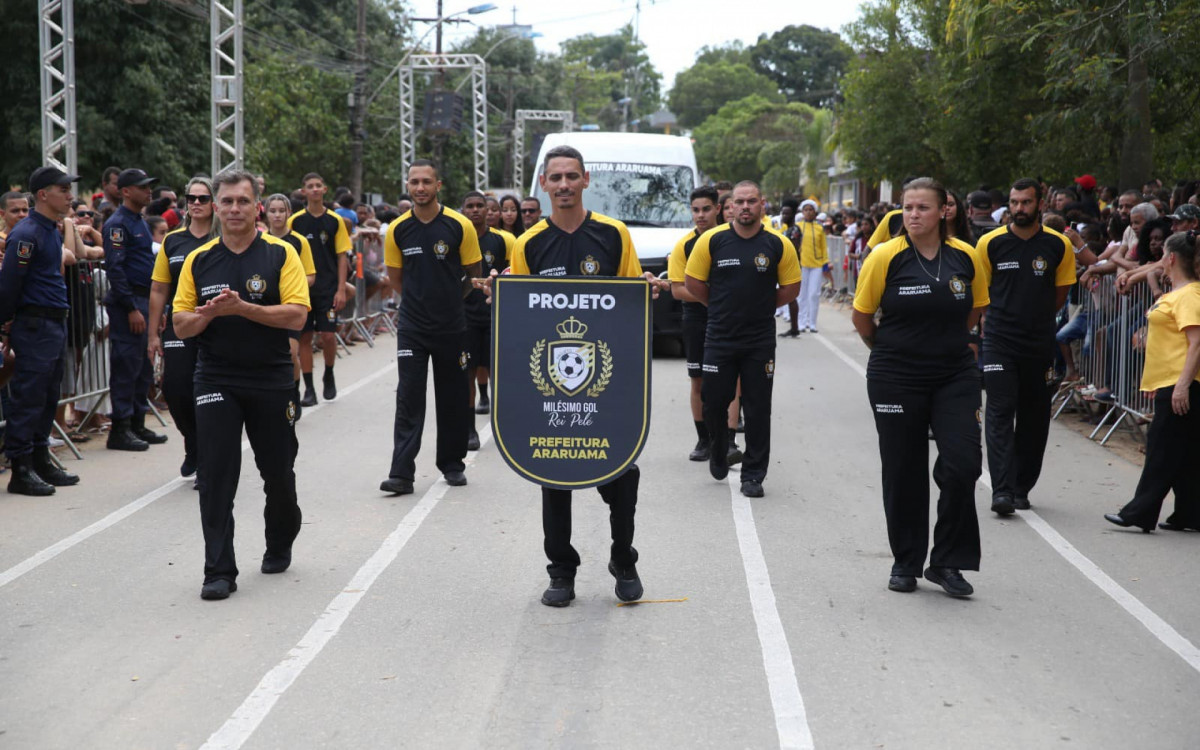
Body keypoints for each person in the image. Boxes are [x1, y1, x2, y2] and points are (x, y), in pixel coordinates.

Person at [490, 144, 667, 607]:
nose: (564, 185)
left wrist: (645, 291)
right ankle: (561, 571)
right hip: (551, 386)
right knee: (552, 472)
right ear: (544, 185)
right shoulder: (527, 244)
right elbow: (521, 319)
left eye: (572, 176)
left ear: (586, 181)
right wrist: (500, 298)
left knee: (621, 475)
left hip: (605, 387)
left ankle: (623, 558)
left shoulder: (613, 235)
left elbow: (630, 307)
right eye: (556, 178)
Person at [172, 169, 311, 601]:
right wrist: (211, 314)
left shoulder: (280, 254)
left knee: (278, 474)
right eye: (227, 201)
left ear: (257, 207)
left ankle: (281, 536)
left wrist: (244, 308)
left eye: (242, 202)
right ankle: (218, 570)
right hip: (215, 377)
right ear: (215, 207)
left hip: (270, 377)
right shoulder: (200, 259)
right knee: (215, 475)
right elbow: (180, 323)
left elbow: (297, 315)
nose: (234, 209)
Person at [851, 177, 990, 597]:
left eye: (922, 208)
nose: (912, 215)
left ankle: (946, 560)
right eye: (907, 208)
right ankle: (906, 561)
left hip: (954, 373)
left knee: (963, 463)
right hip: (896, 374)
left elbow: (976, 307)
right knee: (903, 468)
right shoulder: (884, 256)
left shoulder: (966, 256)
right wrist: (893, 350)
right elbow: (862, 317)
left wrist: (942, 344)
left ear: (944, 210)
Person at [684, 180, 801, 498]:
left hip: (759, 341)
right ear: (729, 206)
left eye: (752, 201)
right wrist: (719, 305)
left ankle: (753, 474)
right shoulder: (712, 241)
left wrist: (760, 307)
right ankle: (719, 448)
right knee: (714, 402)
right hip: (719, 338)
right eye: (739, 201)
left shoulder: (779, 244)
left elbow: (790, 289)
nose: (745, 206)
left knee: (758, 407)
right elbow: (693, 283)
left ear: (763, 204)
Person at [378, 160, 482, 496]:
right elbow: (396, 279)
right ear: (407, 186)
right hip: (412, 327)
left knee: (452, 396)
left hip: (452, 326)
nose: (419, 188)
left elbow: (472, 273)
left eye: (426, 182)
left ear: (438, 185)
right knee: (408, 396)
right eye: (414, 182)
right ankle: (401, 473)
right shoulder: (397, 229)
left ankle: (452, 464)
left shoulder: (459, 224)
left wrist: (450, 299)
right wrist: (418, 302)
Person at [975, 178, 1077, 515]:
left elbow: (1059, 295)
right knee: (1000, 412)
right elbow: (981, 292)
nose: (1019, 209)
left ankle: (1022, 487)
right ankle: (1002, 490)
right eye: (1015, 202)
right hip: (999, 341)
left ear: (1040, 203)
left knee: (1034, 418)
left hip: (1039, 342)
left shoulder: (1058, 245)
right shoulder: (989, 243)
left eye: (1026, 203)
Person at [1104, 231, 1200, 533]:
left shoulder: (1189, 295)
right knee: (1185, 453)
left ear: (1171, 258)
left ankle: (1140, 512)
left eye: (1162, 257)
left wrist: (1183, 385)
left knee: (1162, 449)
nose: (1159, 261)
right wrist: (1134, 277)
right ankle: (1189, 513)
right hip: (1171, 381)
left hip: (1180, 382)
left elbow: (1196, 341)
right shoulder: (1180, 293)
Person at [0, 167, 82, 495]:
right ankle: (20, 468)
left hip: (52, 322)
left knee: (48, 396)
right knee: (29, 396)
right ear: (44, 194)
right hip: (34, 323)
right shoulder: (27, 233)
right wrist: (5, 325)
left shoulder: (51, 229)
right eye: (63, 189)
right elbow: (9, 285)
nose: (70, 195)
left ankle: (39, 458)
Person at [148, 177, 220, 481]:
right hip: (180, 324)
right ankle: (193, 443)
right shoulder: (173, 241)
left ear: (214, 203)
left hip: (218, 326)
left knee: (210, 393)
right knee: (175, 389)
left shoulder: (224, 238)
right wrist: (152, 334)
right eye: (192, 198)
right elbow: (158, 289)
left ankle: (207, 458)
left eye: (204, 198)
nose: (197, 203)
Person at [668, 185, 743, 465]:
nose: (700, 215)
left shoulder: (734, 239)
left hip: (730, 320)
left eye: (706, 209)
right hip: (697, 320)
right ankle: (704, 439)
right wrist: (717, 298)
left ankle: (730, 439)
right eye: (695, 210)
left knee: (732, 379)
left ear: (719, 209)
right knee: (698, 380)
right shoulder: (683, 245)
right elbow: (677, 289)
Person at [104, 168, 168, 451]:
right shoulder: (118, 224)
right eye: (142, 187)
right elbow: (116, 269)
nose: (149, 191)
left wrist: (156, 307)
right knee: (126, 365)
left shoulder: (139, 221)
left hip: (145, 300)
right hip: (128, 302)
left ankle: (138, 423)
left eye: (149, 186)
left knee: (143, 365)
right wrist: (130, 307)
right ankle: (120, 428)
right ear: (126, 191)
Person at [288, 173, 350, 406]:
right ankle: (309, 388)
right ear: (303, 191)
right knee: (304, 337)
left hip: (328, 288)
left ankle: (329, 373)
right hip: (302, 290)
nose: (314, 189)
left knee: (327, 335)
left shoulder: (335, 220)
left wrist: (341, 289)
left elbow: (342, 256)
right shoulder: (295, 221)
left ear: (324, 189)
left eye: (317, 186)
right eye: (309, 186)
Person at [459, 190, 513, 449]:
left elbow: (514, 275)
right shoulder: (456, 239)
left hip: (496, 316)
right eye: (470, 206)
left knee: (499, 372)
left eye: (480, 205)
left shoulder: (503, 241)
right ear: (463, 210)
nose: (476, 210)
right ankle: (469, 428)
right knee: (467, 372)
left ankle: (503, 425)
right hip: (465, 318)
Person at [265, 193, 317, 418]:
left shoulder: (299, 241)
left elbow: (310, 275)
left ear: (289, 213)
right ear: (265, 213)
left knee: (290, 353)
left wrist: (288, 287)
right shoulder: (261, 241)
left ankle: (293, 393)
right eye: (273, 210)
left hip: (292, 308)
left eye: (281, 210)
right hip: (266, 308)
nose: (277, 215)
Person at [789, 198, 828, 334]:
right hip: (802, 264)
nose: (808, 212)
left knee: (814, 294)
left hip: (816, 264)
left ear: (815, 212)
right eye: (806, 210)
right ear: (802, 211)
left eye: (811, 210)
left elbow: (823, 246)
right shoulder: (798, 226)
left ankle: (812, 323)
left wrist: (825, 262)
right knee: (801, 294)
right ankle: (801, 322)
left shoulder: (819, 228)